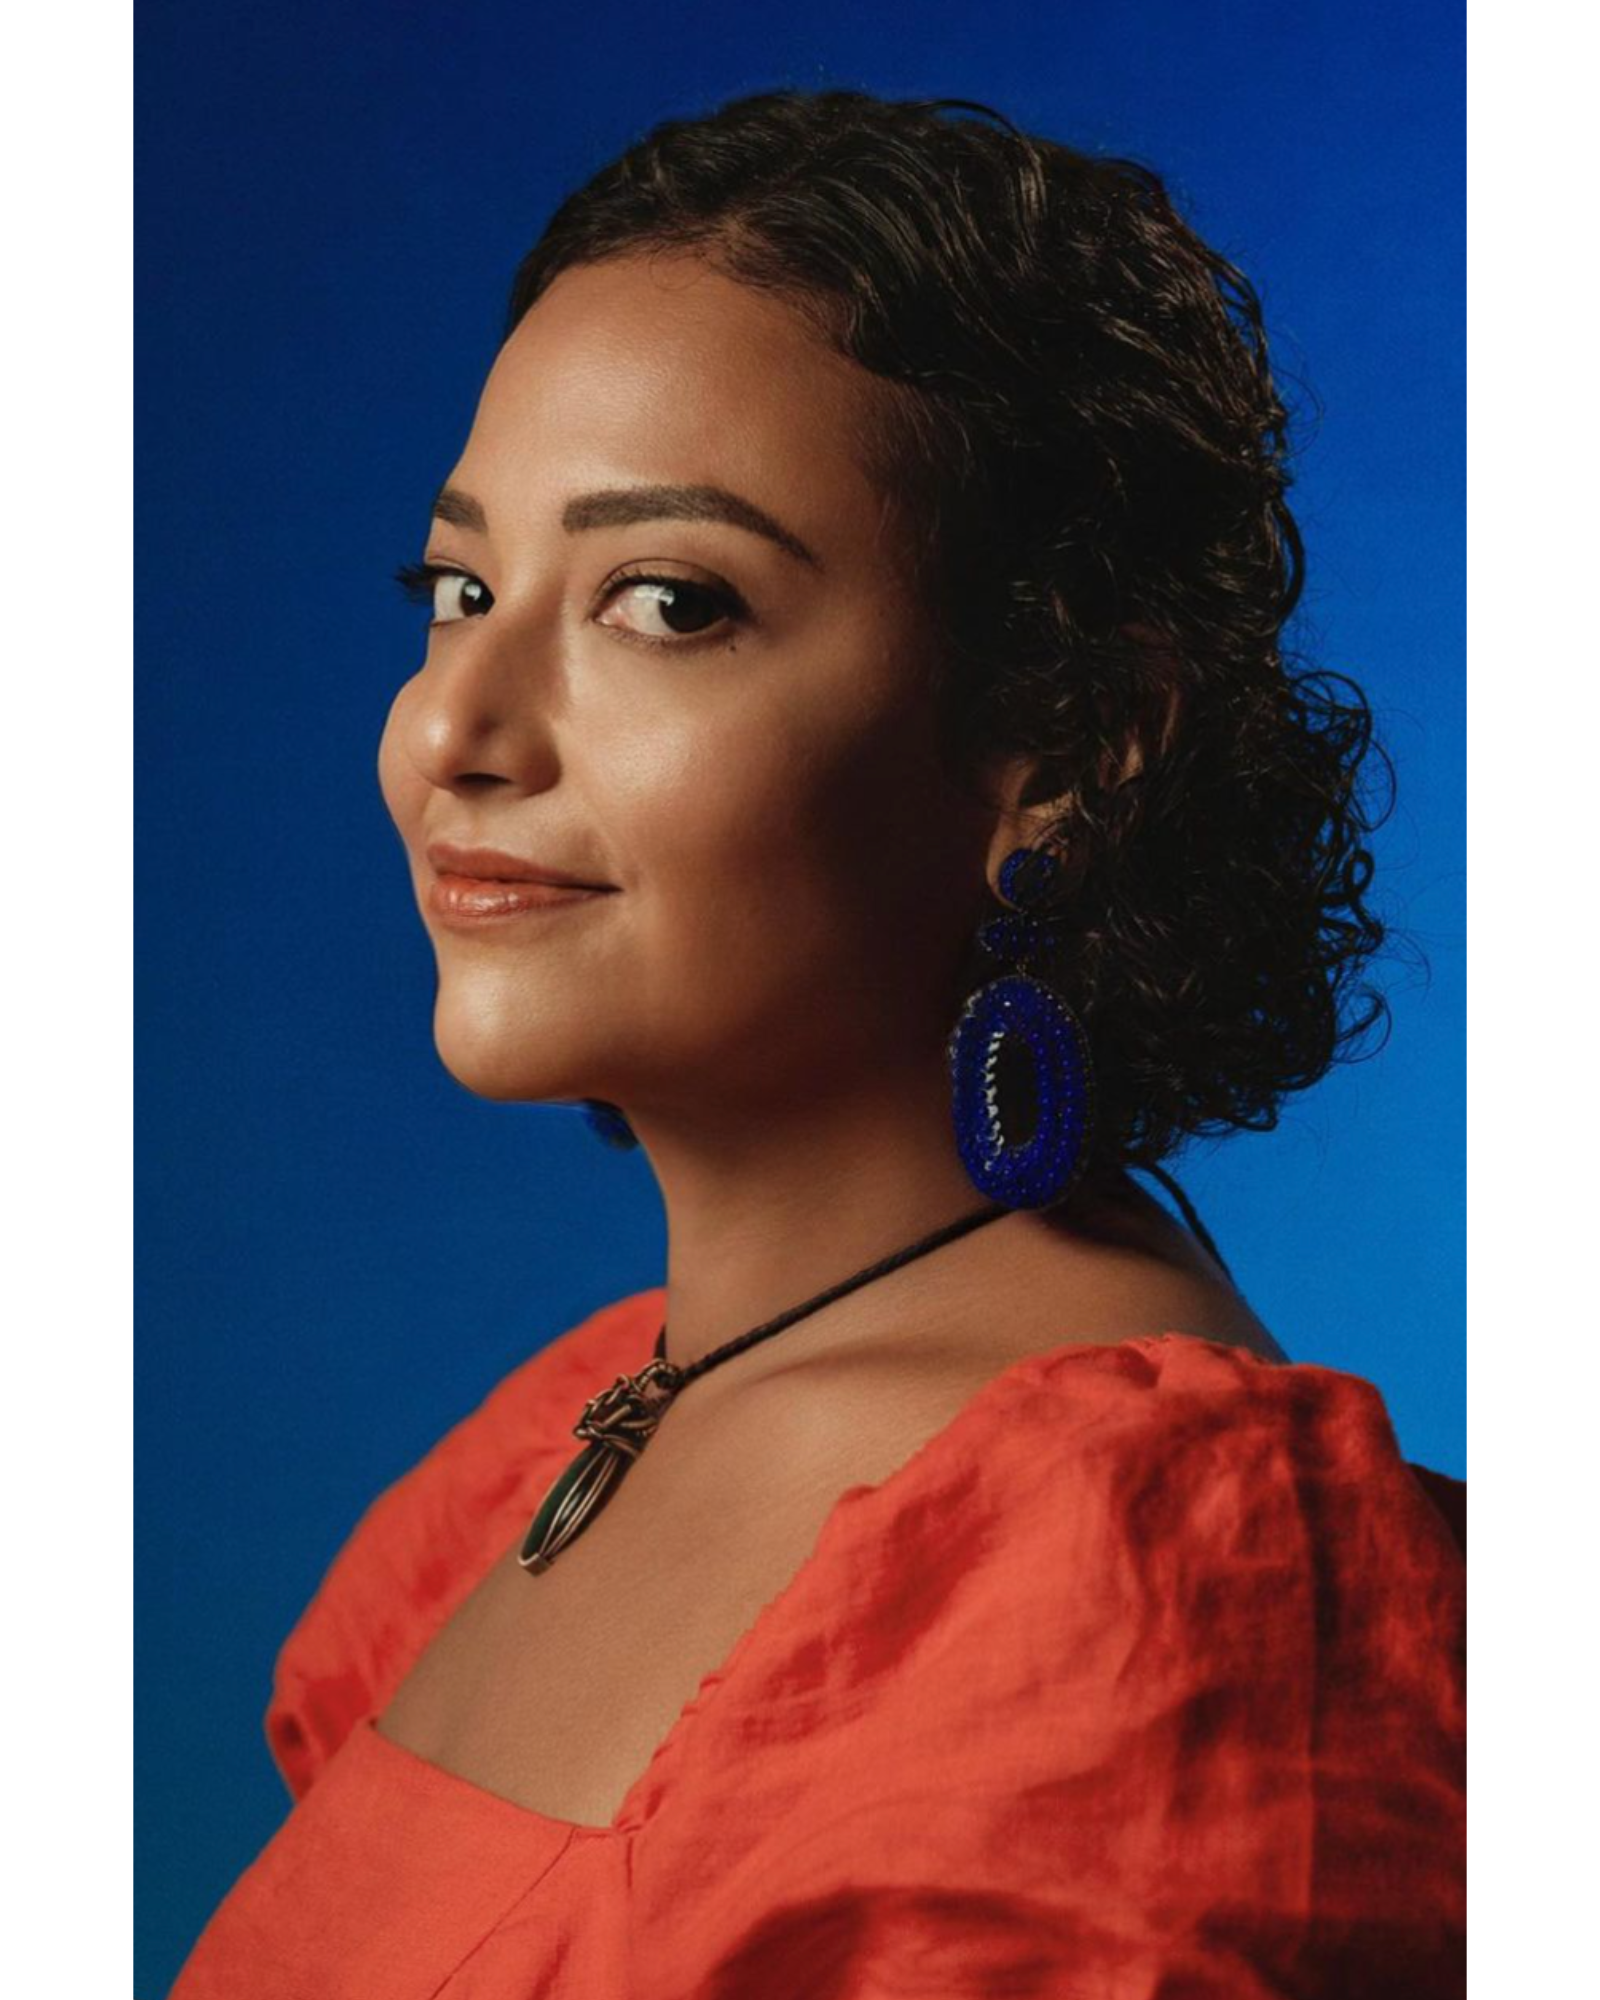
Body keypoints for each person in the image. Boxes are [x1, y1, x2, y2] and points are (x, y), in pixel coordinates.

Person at [171, 87, 1465, 1998]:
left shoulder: (1169, 1592)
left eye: (666, 603)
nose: (456, 727)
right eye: (459, 591)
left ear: (1069, 747)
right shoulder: (565, 1434)